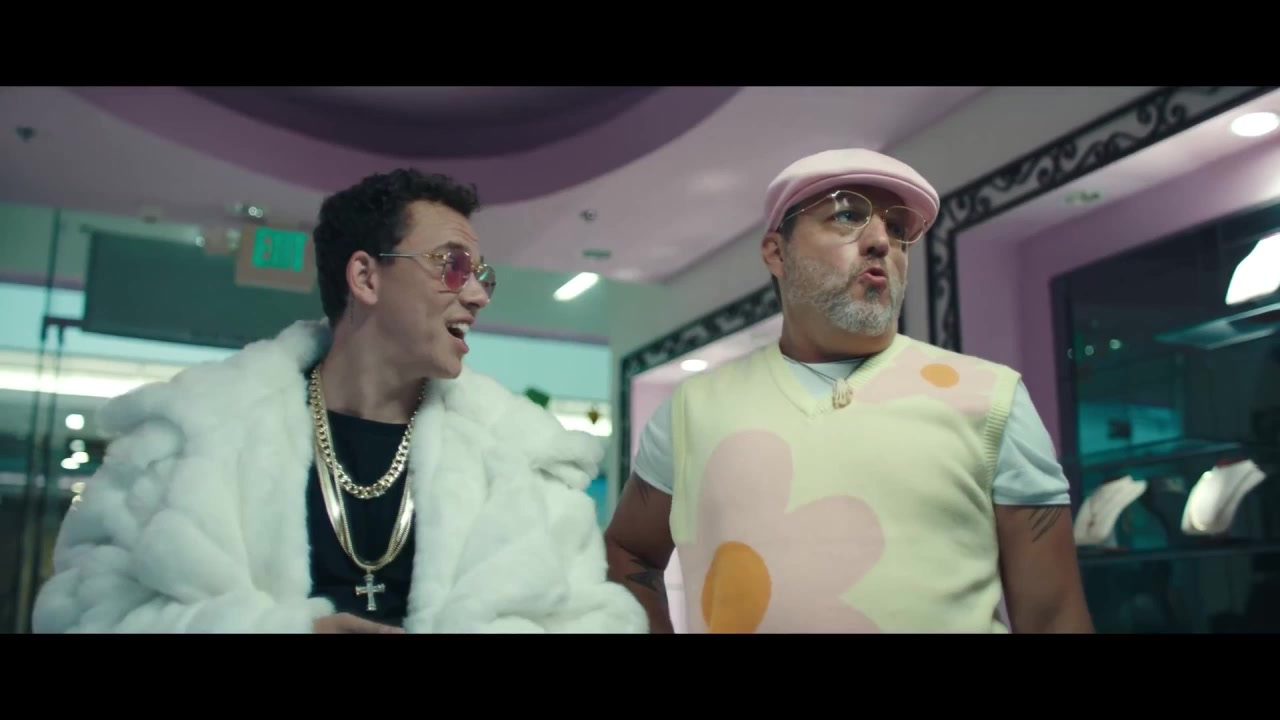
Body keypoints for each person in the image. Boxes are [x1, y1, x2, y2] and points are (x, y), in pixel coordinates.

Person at [32, 169, 648, 634]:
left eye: (482, 275)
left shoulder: (522, 463)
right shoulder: (191, 441)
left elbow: (596, 620)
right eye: (453, 266)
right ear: (366, 277)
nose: (478, 295)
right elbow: (82, 609)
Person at [604, 148, 1094, 633]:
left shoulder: (993, 399)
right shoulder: (692, 411)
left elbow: (1054, 617)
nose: (881, 241)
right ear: (777, 252)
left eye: (897, 228)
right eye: (846, 216)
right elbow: (628, 550)